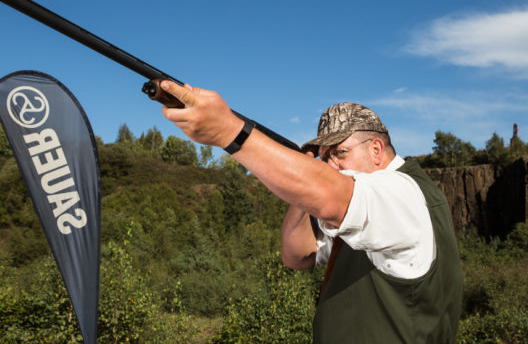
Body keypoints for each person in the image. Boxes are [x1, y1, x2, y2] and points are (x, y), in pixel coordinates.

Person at [158, 80, 462, 343]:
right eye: (324, 158)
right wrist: (304, 187)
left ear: (376, 150)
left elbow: (332, 197)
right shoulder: (365, 214)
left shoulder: (400, 193)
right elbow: (296, 256)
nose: (332, 165)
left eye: (340, 153)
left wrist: (229, 131)